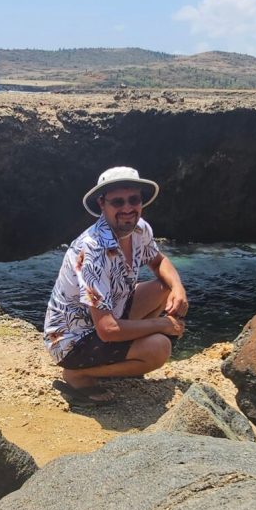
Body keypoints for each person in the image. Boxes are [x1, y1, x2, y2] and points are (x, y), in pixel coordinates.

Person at [43, 167, 188, 404]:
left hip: (108, 317)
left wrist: (178, 288)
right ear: (102, 204)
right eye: (118, 202)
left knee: (165, 288)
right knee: (160, 348)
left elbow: (158, 261)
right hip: (72, 340)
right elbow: (107, 329)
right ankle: (79, 373)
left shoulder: (140, 229)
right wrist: (162, 324)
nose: (128, 208)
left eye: (134, 199)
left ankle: (119, 362)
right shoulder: (93, 250)